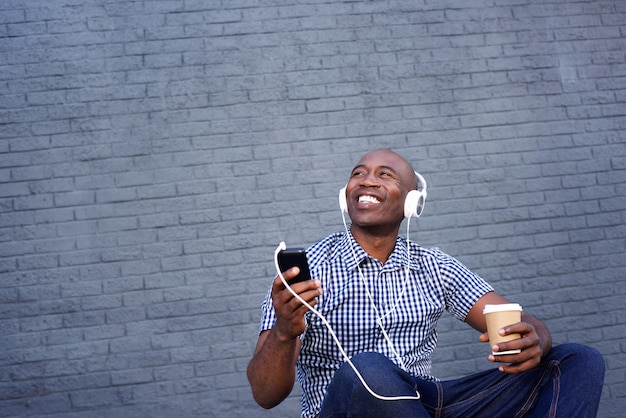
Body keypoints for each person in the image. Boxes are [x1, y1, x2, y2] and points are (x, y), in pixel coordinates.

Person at [247, 149, 605, 417]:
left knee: (579, 360)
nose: (367, 181)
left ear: (411, 202)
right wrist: (284, 331)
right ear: (346, 195)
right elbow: (265, 394)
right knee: (368, 369)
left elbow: (517, 320)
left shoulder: (434, 266)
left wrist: (536, 340)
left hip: (424, 403)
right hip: (346, 408)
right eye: (359, 173)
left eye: (385, 175)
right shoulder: (308, 269)